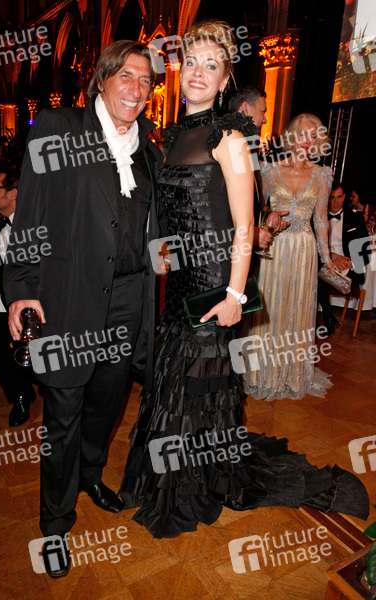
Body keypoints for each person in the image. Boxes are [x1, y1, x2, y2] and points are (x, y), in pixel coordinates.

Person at [119, 23, 369, 539]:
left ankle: (190, 484)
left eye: (211, 65)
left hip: (215, 282)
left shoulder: (229, 137)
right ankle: (173, 473)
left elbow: (243, 224)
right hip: (180, 282)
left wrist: (236, 293)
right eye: (192, 62)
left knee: (198, 383)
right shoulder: (170, 135)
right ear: (179, 70)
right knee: (174, 380)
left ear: (225, 78)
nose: (199, 73)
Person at [3, 40, 162, 577]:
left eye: (146, 81)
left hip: (127, 300)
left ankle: (91, 474)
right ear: (102, 78)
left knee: (105, 404)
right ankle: (55, 523)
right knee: (63, 415)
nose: (136, 89)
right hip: (68, 300)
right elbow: (29, 214)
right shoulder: (59, 128)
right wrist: (21, 286)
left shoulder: (148, 153)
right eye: (127, 76)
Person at [242, 113, 338, 401]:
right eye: (302, 134)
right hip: (275, 248)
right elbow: (255, 211)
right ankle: (261, 373)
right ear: (291, 136)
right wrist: (266, 221)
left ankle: (292, 374)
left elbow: (321, 219)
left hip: (304, 251)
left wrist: (326, 258)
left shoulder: (322, 175)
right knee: (270, 309)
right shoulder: (270, 170)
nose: (307, 141)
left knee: (297, 309)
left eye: (313, 136)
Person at [0, 168, 36, 426]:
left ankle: (29, 388)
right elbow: (1, 266)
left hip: (34, 305)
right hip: (9, 301)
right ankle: (22, 391)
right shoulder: (2, 225)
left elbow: (35, 281)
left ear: (13, 193)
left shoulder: (34, 227)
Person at [228, 86, 289, 259]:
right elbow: (218, 205)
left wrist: (265, 217)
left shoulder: (248, 145)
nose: (265, 119)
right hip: (228, 253)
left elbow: (248, 198)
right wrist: (251, 233)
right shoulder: (228, 144)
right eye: (263, 111)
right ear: (245, 108)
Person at [318, 182, 369, 334]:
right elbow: (313, 248)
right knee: (320, 273)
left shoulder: (356, 219)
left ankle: (326, 317)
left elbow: (365, 251)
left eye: (339, 197)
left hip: (348, 269)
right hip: (325, 263)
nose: (335, 201)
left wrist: (349, 263)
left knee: (321, 276)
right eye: (332, 197)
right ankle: (327, 317)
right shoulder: (318, 218)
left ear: (344, 197)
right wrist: (330, 257)